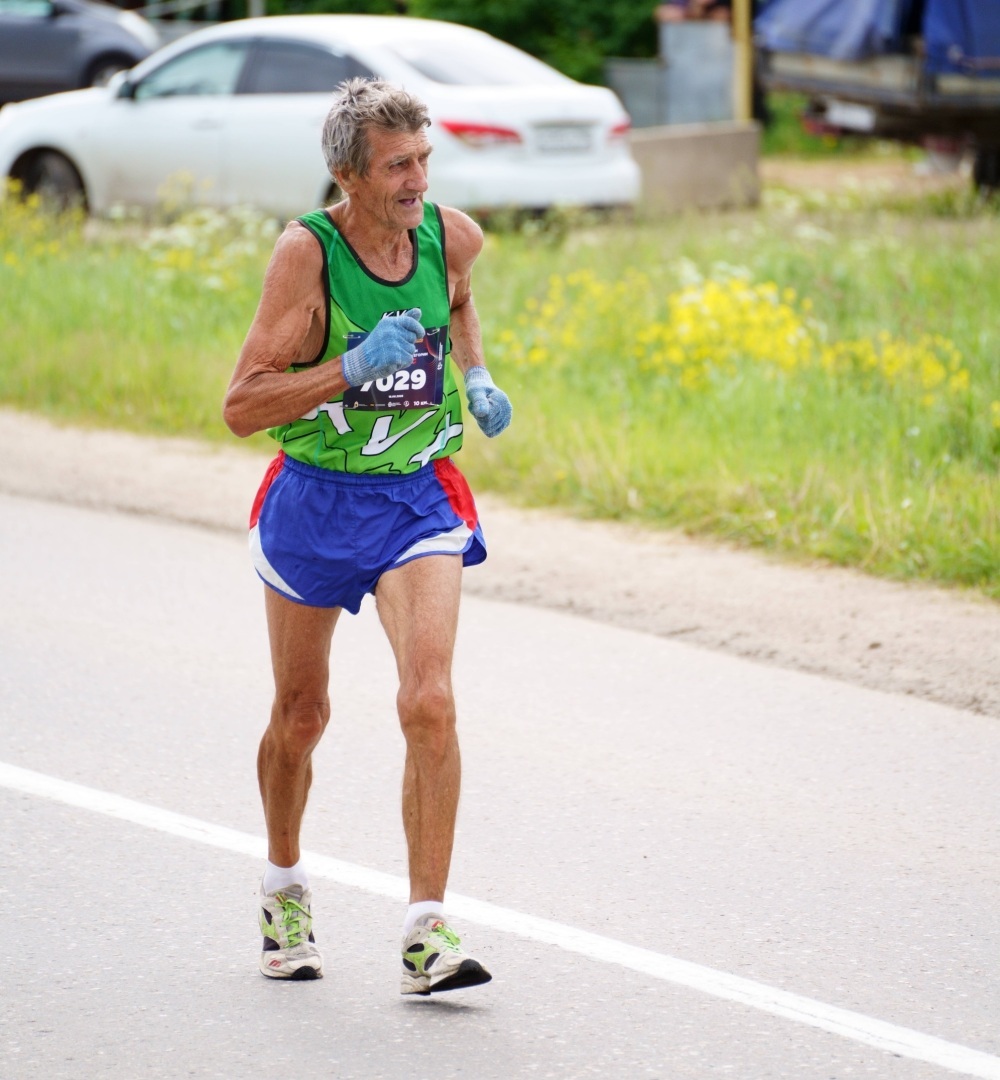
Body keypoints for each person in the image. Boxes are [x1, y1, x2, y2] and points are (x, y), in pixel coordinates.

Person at [222, 76, 512, 995]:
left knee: (429, 700)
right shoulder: (305, 256)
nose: (418, 180)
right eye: (398, 166)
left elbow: (458, 299)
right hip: (314, 498)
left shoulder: (450, 236)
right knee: (301, 716)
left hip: (415, 499)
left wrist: (477, 373)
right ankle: (283, 884)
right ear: (348, 175)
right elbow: (241, 406)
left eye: (425, 159)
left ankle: (427, 930)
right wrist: (348, 368)